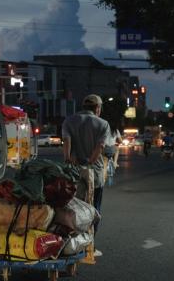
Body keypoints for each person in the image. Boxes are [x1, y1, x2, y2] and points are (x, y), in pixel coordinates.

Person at [62, 94, 110, 256]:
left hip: (74, 174)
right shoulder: (103, 124)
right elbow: (100, 147)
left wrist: (68, 161)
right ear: (97, 108)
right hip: (94, 175)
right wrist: (89, 162)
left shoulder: (69, 121)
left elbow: (67, 144)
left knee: (73, 208)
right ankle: (90, 246)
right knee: (93, 209)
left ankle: (72, 244)